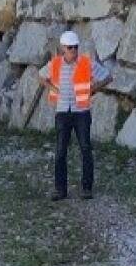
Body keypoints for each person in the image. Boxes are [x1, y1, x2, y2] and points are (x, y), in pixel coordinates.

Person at [40, 30, 111, 201]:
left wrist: (93, 89)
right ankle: (60, 189)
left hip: (81, 112)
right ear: (63, 48)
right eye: (70, 48)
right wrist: (53, 89)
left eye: (76, 47)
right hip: (63, 112)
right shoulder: (55, 64)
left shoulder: (86, 63)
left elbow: (108, 77)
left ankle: (86, 188)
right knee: (60, 151)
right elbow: (42, 76)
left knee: (85, 149)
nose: (73, 50)